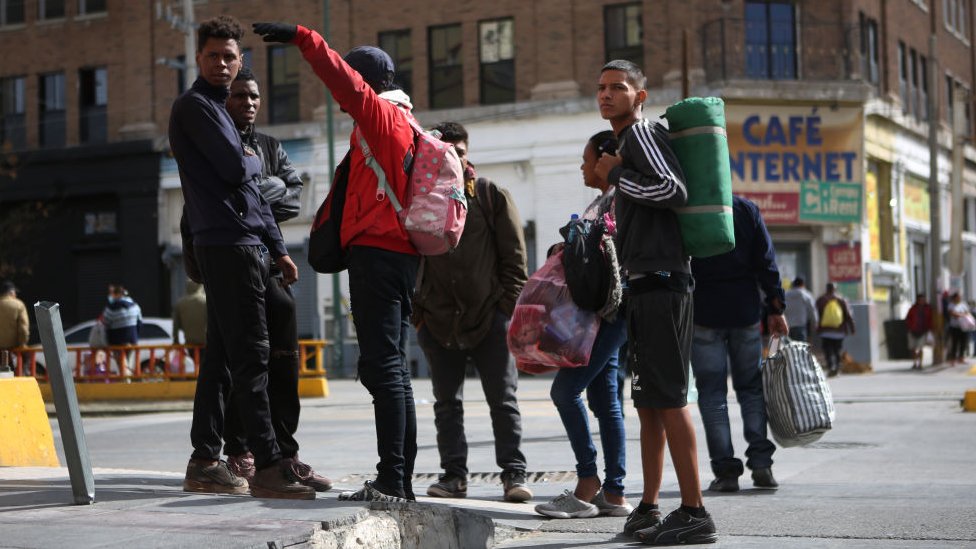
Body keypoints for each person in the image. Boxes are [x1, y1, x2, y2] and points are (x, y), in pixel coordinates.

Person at [253, 21, 421, 502]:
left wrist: (303, 38)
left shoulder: (381, 118)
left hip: (378, 255)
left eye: (353, 81)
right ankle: (398, 480)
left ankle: (392, 480)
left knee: (384, 367)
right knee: (392, 370)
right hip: (399, 256)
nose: (343, 98)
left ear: (365, 82)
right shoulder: (405, 122)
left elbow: (341, 79)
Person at [169, 15, 313, 500]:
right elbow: (238, 169)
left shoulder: (218, 108)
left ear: (240, 61)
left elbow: (255, 193)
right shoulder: (196, 107)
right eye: (213, 55)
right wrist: (251, 160)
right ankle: (268, 465)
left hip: (247, 243)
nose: (222, 64)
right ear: (198, 58)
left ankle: (205, 460)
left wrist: (277, 247)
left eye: (230, 56)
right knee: (252, 355)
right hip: (225, 244)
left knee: (225, 360)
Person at [592, 59, 717, 545]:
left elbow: (672, 188)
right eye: (601, 88)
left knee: (668, 398)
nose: (607, 95)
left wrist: (616, 177)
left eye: (618, 88)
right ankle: (648, 506)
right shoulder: (627, 144)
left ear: (639, 96)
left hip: (664, 282)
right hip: (647, 284)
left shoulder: (641, 136)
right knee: (648, 403)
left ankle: (695, 511)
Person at [215, 67, 330, 492]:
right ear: (224, 100)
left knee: (284, 353)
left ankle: (286, 452)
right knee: (242, 359)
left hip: (269, 255)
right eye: (240, 95)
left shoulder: (269, 145)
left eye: (254, 96)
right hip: (232, 260)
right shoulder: (217, 142)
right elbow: (230, 200)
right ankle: (241, 450)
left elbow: (293, 195)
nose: (248, 102)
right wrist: (265, 189)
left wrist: (257, 192)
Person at [411, 121, 533, 503]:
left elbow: (515, 260)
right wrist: (420, 314)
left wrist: (504, 310)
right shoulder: (419, 197)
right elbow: (411, 257)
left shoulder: (491, 195)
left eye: (458, 153)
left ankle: (514, 475)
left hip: (489, 319)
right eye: (444, 154)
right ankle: (453, 476)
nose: (452, 160)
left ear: (467, 153)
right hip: (438, 320)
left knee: (504, 401)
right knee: (447, 404)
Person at [534, 131, 630, 519]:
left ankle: (588, 482)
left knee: (565, 391)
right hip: (604, 314)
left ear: (606, 160)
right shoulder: (602, 201)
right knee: (606, 401)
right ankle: (616, 492)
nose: (582, 166)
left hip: (612, 312)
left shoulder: (619, 201)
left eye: (587, 158)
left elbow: (609, 257)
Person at [690, 195, 787, 494]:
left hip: (704, 314)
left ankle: (727, 472)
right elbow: (766, 261)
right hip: (745, 312)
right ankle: (761, 465)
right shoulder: (745, 210)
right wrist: (776, 307)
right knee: (751, 389)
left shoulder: (689, 209)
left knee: (713, 395)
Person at [815, 283, 856, 377]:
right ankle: (837, 368)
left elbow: (816, 315)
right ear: (835, 289)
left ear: (827, 289)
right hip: (839, 331)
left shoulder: (821, 300)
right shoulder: (842, 300)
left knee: (827, 350)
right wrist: (852, 328)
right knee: (837, 350)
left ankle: (831, 367)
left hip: (825, 331)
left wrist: (817, 328)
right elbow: (848, 315)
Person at [0, 280, 29, 374]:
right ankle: (23, 373)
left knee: (4, 366)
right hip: (13, 345)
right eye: (15, 292)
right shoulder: (19, 305)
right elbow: (23, 328)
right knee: (26, 356)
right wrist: (22, 344)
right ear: (11, 292)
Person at [172, 281, 207, 346]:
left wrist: (176, 341)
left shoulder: (180, 303)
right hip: (205, 343)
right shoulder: (205, 301)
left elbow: (175, 325)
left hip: (189, 343)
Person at [784, 276, 818, 342]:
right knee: (800, 349)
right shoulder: (806, 295)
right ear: (803, 284)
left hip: (787, 327)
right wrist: (815, 322)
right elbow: (812, 310)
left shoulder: (786, 294)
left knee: (789, 350)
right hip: (800, 327)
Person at [904, 293, 932, 370]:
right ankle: (914, 363)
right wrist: (910, 327)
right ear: (917, 300)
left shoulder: (927, 309)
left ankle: (920, 364)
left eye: (923, 300)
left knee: (920, 348)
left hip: (922, 331)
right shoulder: (913, 309)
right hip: (913, 331)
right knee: (913, 348)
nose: (922, 301)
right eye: (920, 300)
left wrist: (929, 328)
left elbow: (930, 319)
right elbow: (908, 318)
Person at [946, 292, 971, 365]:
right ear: (954, 298)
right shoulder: (951, 305)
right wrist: (962, 315)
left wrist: (961, 315)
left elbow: (967, 312)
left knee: (963, 343)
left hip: (964, 327)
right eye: (958, 297)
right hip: (954, 327)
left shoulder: (963, 304)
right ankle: (953, 359)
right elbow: (952, 313)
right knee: (954, 343)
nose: (959, 298)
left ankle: (961, 358)